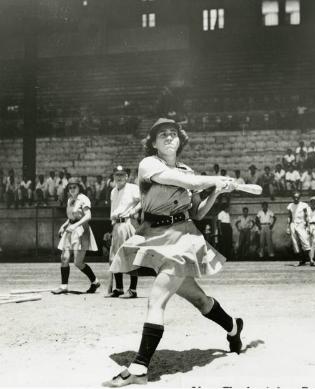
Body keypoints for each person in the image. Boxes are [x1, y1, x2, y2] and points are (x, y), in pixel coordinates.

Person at [103, 118, 243, 387]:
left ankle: (139, 368)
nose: (168, 137)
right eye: (162, 135)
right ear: (153, 142)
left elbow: (199, 213)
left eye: (173, 134)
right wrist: (213, 179)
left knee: (156, 300)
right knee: (201, 301)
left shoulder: (189, 171)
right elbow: (176, 180)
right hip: (156, 237)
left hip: (184, 238)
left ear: (180, 141)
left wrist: (215, 191)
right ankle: (234, 328)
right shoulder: (149, 164)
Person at [52, 177, 100, 295]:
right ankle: (64, 286)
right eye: (70, 187)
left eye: (75, 187)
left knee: (78, 262)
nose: (72, 189)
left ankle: (95, 281)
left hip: (82, 231)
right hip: (71, 229)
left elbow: (88, 216)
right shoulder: (69, 200)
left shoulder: (83, 199)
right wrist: (64, 225)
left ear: (79, 188)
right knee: (64, 258)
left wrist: (75, 226)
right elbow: (71, 218)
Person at [106, 165, 142, 298]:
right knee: (114, 257)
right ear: (114, 176)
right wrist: (112, 226)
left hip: (128, 223)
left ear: (127, 176)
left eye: (122, 175)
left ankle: (133, 290)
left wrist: (135, 210)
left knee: (130, 256)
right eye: (117, 175)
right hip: (117, 225)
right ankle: (119, 288)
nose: (119, 177)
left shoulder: (133, 188)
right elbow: (113, 210)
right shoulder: (113, 191)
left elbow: (144, 200)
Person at [287, 192, 312, 266]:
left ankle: (311, 260)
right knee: (296, 244)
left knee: (305, 242)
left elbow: (307, 216)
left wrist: (308, 226)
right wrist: (288, 227)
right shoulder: (290, 205)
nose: (296, 198)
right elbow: (289, 217)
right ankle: (301, 260)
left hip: (301, 224)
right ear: (292, 197)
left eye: (297, 197)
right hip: (293, 224)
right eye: (294, 197)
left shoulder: (303, 205)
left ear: (300, 197)